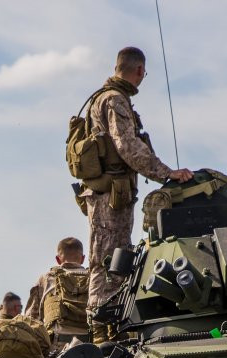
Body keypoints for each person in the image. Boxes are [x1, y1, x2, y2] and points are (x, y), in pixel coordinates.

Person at [79, 46, 194, 341]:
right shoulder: (115, 99)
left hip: (110, 192)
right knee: (108, 258)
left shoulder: (102, 98)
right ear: (140, 71)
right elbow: (127, 146)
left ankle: (107, 326)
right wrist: (167, 173)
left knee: (113, 256)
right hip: (110, 194)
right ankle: (102, 331)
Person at [26, 237, 90, 345]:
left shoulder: (47, 278)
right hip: (91, 347)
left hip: (56, 347)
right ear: (83, 258)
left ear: (58, 259)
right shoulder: (93, 278)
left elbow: (31, 319)